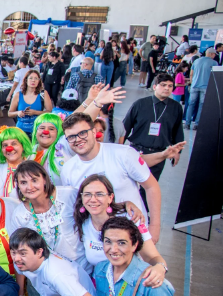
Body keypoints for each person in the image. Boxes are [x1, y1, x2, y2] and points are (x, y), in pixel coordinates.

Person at [61, 113, 162, 242]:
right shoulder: (68, 169)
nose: (77, 139)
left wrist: (154, 226)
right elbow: (77, 206)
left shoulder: (124, 154)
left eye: (82, 133)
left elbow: (151, 186)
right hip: (96, 240)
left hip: (132, 236)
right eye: (71, 137)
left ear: (93, 132)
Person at [122, 74, 184, 183]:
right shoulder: (140, 104)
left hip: (159, 154)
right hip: (137, 151)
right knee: (130, 183)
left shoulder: (176, 107)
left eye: (170, 86)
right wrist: (118, 148)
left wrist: (177, 152)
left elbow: (177, 131)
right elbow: (125, 128)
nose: (167, 88)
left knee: (150, 186)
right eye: (163, 85)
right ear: (154, 87)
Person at [0, 127, 34, 198]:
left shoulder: (33, 168)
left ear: (23, 146)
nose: (9, 148)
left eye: (14, 144)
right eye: (5, 145)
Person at [9, 71, 52, 135]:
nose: (33, 81)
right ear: (26, 80)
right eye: (31, 78)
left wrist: (35, 112)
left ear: (39, 81)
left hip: (37, 130)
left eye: (36, 78)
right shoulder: (18, 95)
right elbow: (9, 113)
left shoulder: (43, 94)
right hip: (21, 130)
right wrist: (18, 113)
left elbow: (49, 112)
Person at [184, 48, 217, 130]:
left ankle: (187, 123)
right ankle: (197, 124)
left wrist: (192, 83)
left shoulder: (196, 61)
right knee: (201, 105)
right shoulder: (214, 63)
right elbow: (215, 76)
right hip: (205, 87)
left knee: (190, 104)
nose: (215, 56)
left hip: (194, 86)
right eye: (214, 54)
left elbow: (191, 74)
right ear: (211, 54)